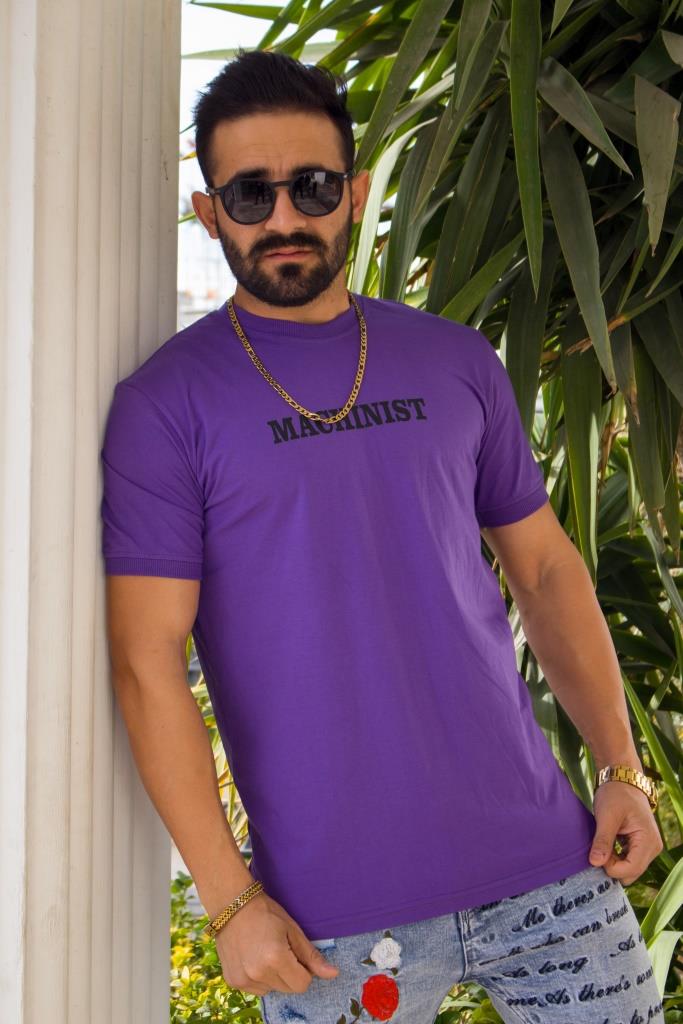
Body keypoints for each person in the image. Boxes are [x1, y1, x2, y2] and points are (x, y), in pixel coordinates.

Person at [100, 48, 664, 1024]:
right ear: (209, 212)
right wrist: (228, 899)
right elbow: (146, 661)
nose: (284, 218)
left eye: (312, 188)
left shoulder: (453, 361)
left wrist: (619, 767)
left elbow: (541, 568)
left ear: (354, 195)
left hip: (548, 870)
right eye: (250, 194)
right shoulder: (165, 405)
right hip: (329, 926)